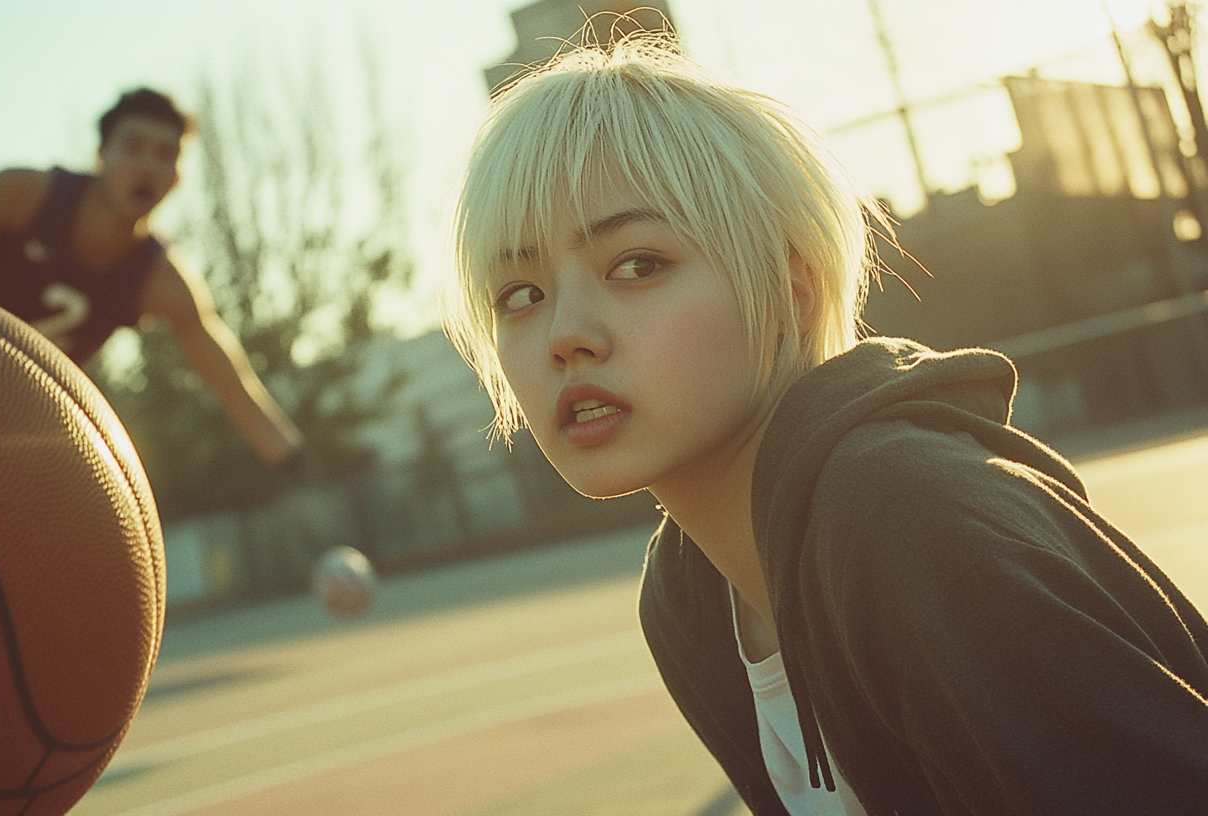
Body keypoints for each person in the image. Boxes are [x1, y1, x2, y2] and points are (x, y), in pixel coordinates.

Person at [441, 34, 1208, 815]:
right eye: (519, 294)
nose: (565, 331)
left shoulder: (905, 523)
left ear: (791, 291)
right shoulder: (689, 597)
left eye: (636, 264)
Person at [0, 87, 302, 467]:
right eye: (134, 147)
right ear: (101, 154)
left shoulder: (162, 281)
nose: (148, 165)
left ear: (176, 177)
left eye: (166, 154)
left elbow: (233, 387)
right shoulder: (24, 193)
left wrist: (297, 462)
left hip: (23, 431)